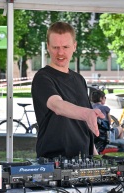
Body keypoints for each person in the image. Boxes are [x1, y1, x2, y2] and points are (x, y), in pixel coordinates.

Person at [31, 21, 104, 159]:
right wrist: (86, 113)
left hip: (85, 160)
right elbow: (57, 105)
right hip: (54, 161)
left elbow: (85, 126)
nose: (60, 53)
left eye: (65, 47)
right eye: (55, 47)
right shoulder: (42, 78)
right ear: (47, 47)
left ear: (74, 46)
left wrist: (96, 157)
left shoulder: (79, 79)